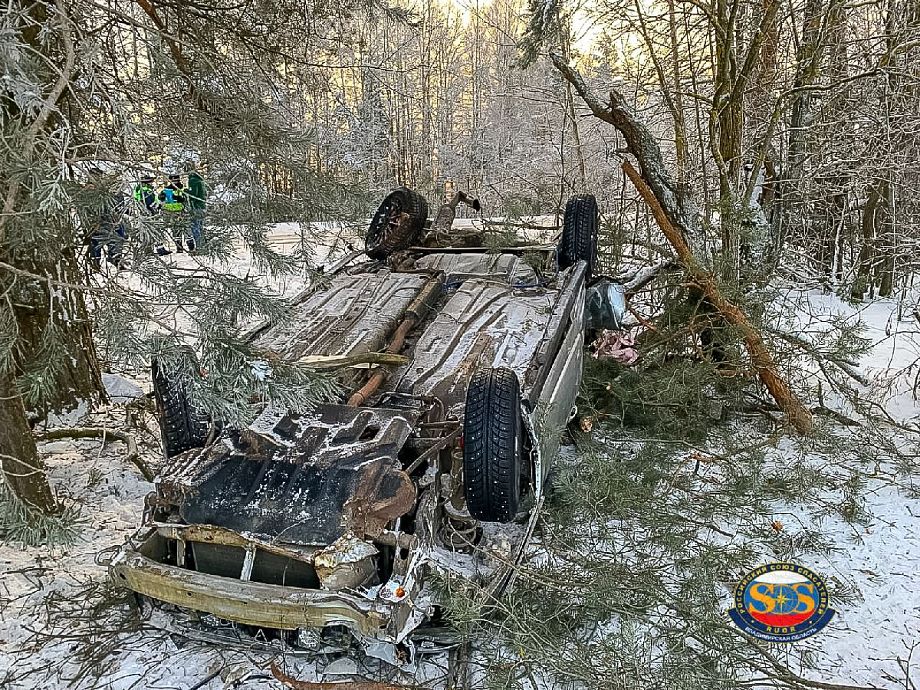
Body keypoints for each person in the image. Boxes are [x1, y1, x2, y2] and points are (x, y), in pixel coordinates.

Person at [87, 169, 128, 269]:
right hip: (97, 221)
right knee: (96, 241)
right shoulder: (89, 190)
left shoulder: (110, 191)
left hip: (112, 220)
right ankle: (95, 262)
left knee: (118, 237)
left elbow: (119, 206)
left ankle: (116, 258)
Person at [158, 173, 187, 252]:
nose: (174, 182)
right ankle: (177, 246)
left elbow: (185, 198)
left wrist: (179, 198)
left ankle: (181, 246)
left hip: (179, 211)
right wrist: (162, 197)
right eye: (173, 181)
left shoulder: (182, 188)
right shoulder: (166, 189)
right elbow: (160, 198)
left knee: (179, 229)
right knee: (174, 230)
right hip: (168, 211)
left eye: (176, 180)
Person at [185, 162, 206, 251]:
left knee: (195, 227)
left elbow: (194, 194)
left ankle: (200, 247)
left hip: (196, 206)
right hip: (202, 206)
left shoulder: (192, 180)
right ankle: (203, 246)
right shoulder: (200, 180)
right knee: (200, 226)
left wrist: (186, 191)